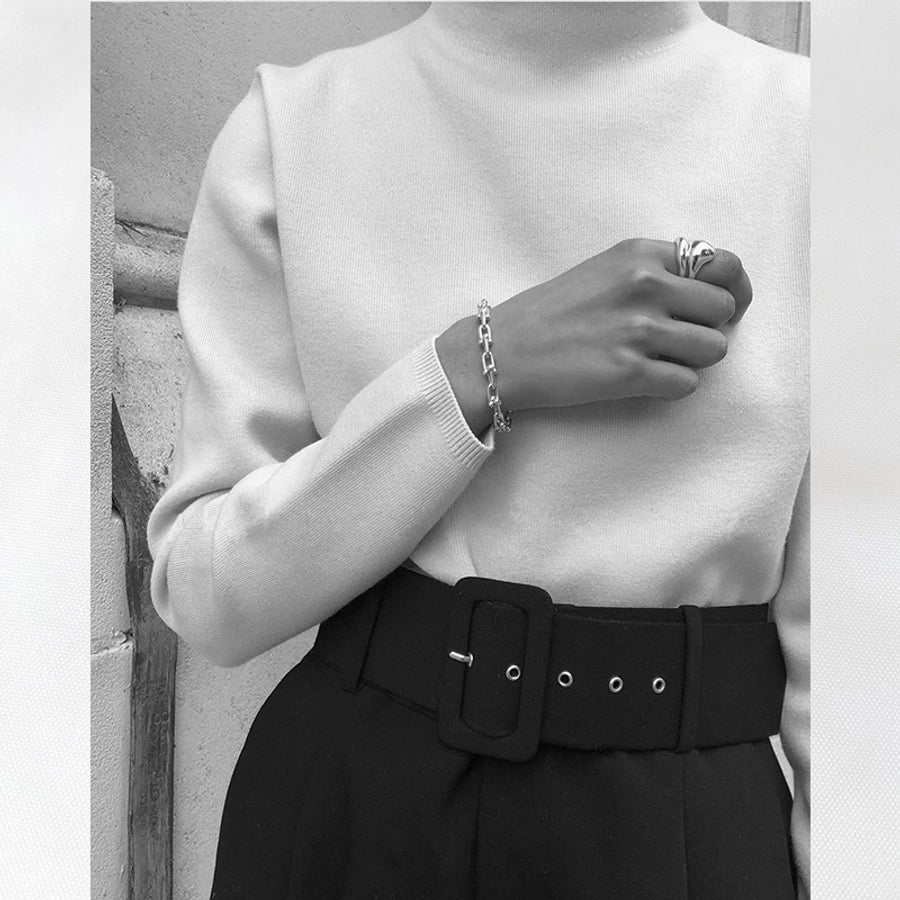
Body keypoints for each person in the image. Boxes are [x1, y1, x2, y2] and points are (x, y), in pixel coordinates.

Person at [146, 3, 809, 898]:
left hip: (691, 836)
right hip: (355, 817)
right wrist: (477, 367)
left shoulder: (832, 144)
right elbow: (207, 596)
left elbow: (859, 655)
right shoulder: (295, 127)